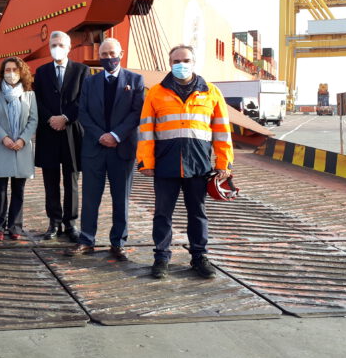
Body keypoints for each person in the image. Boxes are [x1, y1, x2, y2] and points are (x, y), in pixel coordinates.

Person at [137, 44, 233, 280]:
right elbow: (146, 130)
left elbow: (222, 131)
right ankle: (161, 257)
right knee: (162, 214)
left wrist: (223, 163)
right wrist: (145, 162)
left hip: (198, 165)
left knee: (198, 213)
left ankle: (199, 257)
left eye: (186, 60)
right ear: (170, 64)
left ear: (194, 62)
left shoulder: (211, 92)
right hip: (165, 164)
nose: (181, 64)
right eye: (176, 61)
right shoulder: (156, 93)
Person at [66, 38, 145, 259]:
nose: (108, 58)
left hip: (122, 148)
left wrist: (116, 135)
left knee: (121, 198)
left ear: (121, 53)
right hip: (94, 147)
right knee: (90, 197)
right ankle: (86, 240)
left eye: (112, 53)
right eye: (104, 54)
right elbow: (83, 113)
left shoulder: (135, 80)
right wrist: (101, 135)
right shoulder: (90, 82)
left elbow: (136, 113)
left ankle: (118, 242)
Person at [34, 30, 90, 241]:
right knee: (50, 180)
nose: (56, 48)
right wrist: (50, 118)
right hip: (48, 131)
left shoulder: (82, 70)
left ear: (69, 48)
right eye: (53, 45)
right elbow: (37, 99)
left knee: (71, 180)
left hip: (72, 132)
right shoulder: (41, 71)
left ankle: (70, 223)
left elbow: (83, 99)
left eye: (60, 45)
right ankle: (54, 222)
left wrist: (65, 117)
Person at [0, 57, 38, 241]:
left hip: (21, 147)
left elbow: (33, 119)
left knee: (18, 189)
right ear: (2, 73)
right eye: (7, 70)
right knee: (0, 189)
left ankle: (15, 226)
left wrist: (23, 139)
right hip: (2, 145)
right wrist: (4, 138)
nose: (11, 73)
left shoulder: (29, 94)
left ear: (21, 72)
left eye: (15, 70)